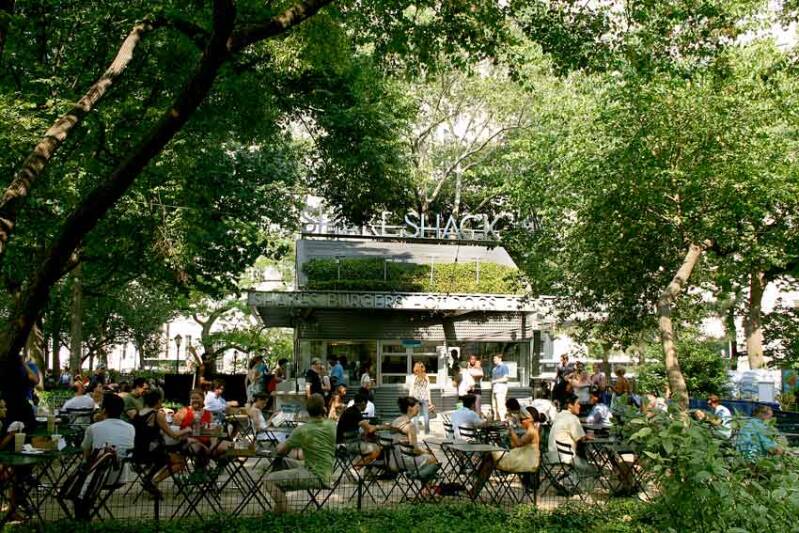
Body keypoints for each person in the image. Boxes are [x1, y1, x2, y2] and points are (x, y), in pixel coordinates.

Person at [263, 394, 336, 514]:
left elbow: (281, 450)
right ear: (323, 409)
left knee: (268, 480)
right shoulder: (332, 425)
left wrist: (281, 444)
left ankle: (285, 512)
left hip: (315, 475)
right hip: (326, 472)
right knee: (283, 462)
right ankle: (279, 508)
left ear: (307, 411)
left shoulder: (302, 430)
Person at [132, 389, 191, 494]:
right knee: (180, 462)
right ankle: (153, 481)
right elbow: (173, 435)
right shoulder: (157, 414)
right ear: (158, 401)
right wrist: (187, 430)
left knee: (168, 454)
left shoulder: (138, 413)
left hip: (137, 452)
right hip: (152, 453)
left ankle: (149, 478)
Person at [81, 393, 135, 484]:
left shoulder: (93, 428)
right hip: (121, 477)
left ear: (104, 410)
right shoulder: (130, 428)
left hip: (95, 478)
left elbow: (86, 451)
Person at [388, 397, 438, 474]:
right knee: (432, 458)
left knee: (425, 456)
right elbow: (414, 449)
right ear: (409, 408)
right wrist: (426, 451)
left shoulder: (396, 421)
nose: (419, 410)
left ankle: (423, 481)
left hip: (393, 460)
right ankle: (428, 485)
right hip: (403, 461)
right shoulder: (410, 426)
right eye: (417, 407)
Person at [548, 395, 592, 472]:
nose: (579, 406)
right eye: (578, 404)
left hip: (553, 455)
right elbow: (580, 438)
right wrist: (586, 436)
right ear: (570, 405)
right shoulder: (572, 418)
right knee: (591, 469)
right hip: (566, 457)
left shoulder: (559, 415)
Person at [336, 393, 382, 464]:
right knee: (377, 449)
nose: (366, 406)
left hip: (342, 443)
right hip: (348, 445)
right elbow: (370, 429)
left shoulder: (349, 410)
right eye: (366, 404)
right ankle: (356, 468)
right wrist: (382, 427)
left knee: (368, 442)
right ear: (363, 403)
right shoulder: (355, 413)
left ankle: (362, 469)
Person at [409, 361, 434, 434]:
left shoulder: (414, 378)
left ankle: (417, 431)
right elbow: (428, 390)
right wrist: (430, 401)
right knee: (426, 415)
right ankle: (427, 431)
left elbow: (411, 389)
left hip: (416, 399)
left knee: (416, 415)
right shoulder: (426, 377)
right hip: (425, 398)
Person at [491, 354, 510, 421]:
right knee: (494, 405)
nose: (494, 360)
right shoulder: (494, 369)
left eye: (495, 359)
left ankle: (503, 420)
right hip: (495, 388)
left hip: (501, 387)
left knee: (501, 405)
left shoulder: (504, 367)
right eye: (494, 359)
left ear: (500, 359)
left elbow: (506, 379)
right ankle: (496, 419)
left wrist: (495, 381)